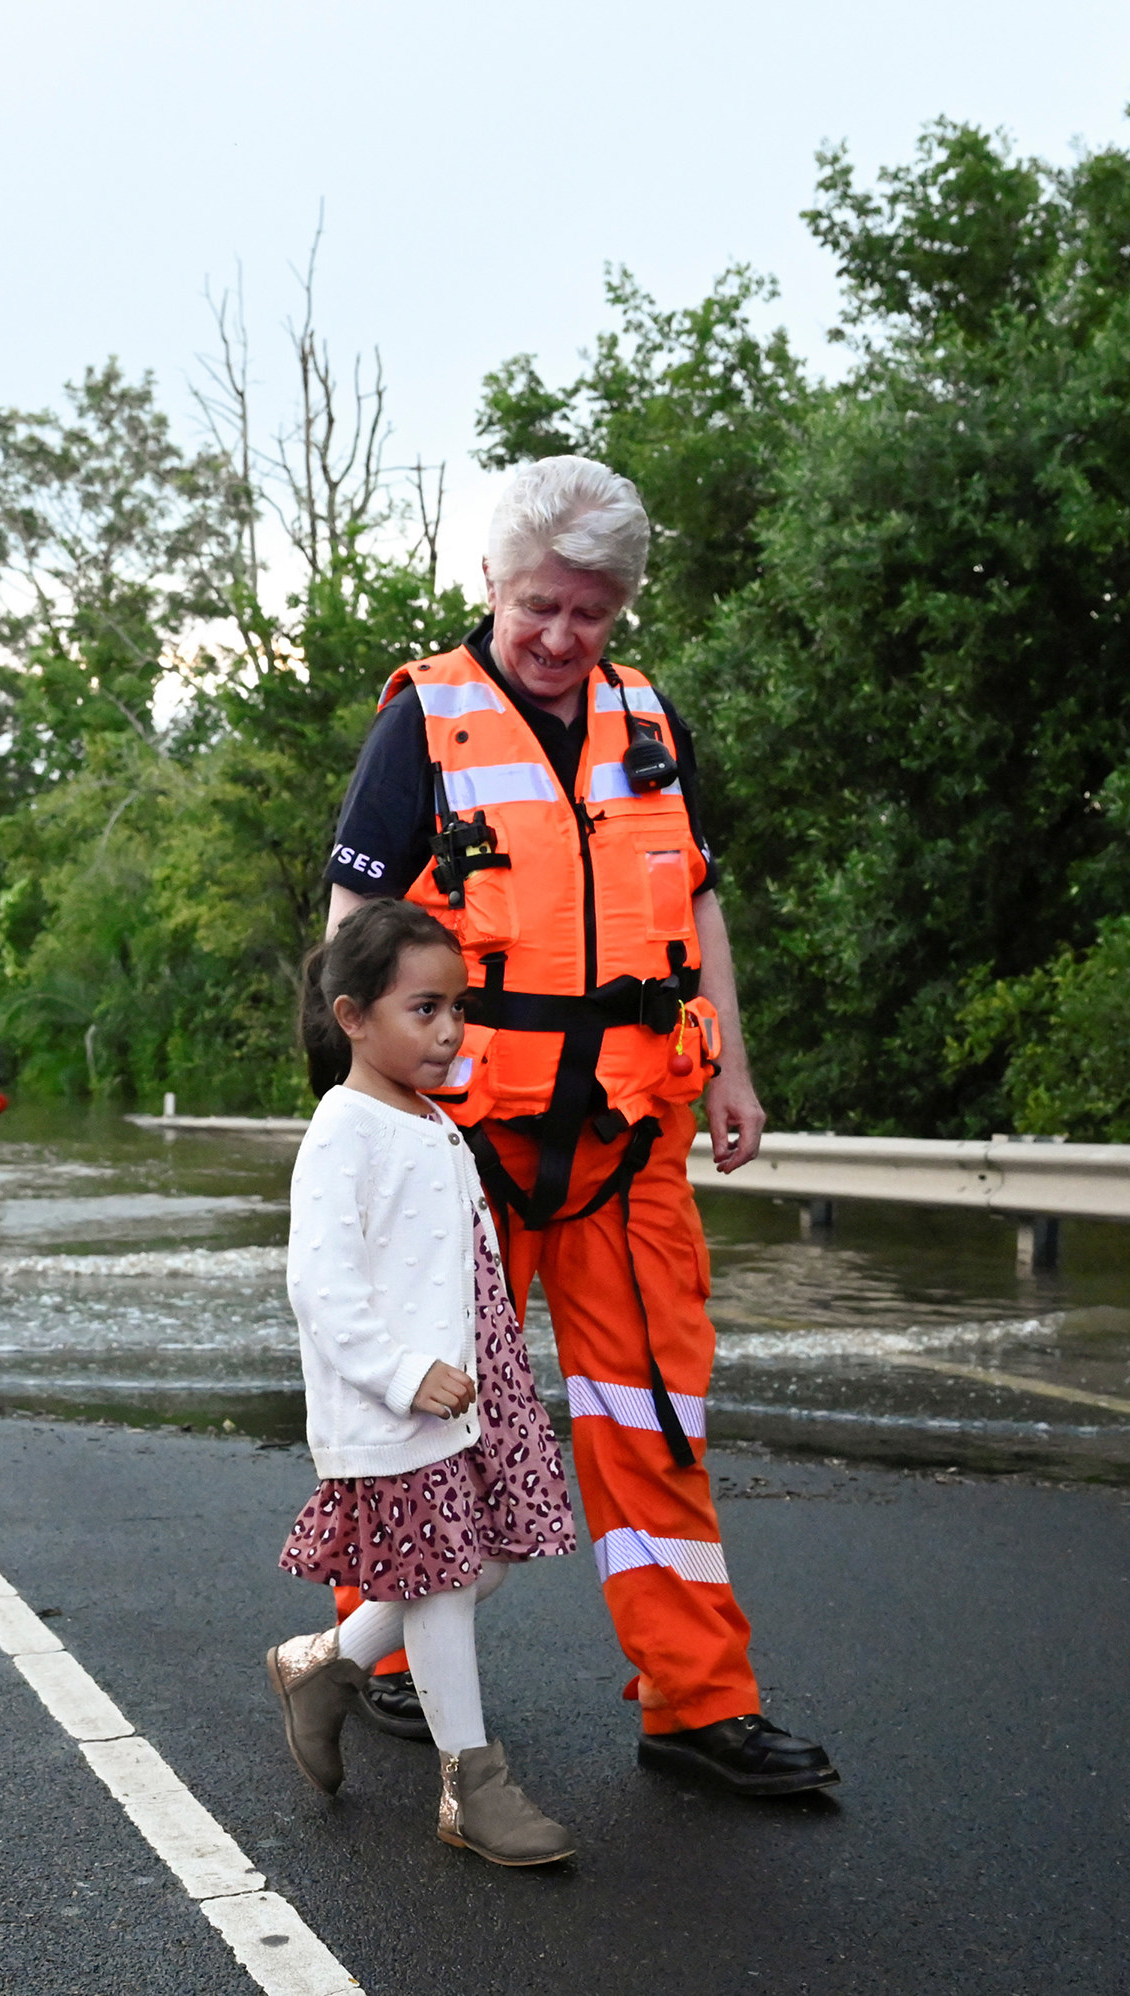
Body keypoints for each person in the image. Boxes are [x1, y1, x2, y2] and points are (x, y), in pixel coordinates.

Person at [318, 456, 841, 1798]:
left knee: (652, 1421)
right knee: (437, 1417)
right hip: (464, 1153)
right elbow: (354, 939)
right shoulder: (423, 723)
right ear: (492, 583)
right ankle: (375, 1654)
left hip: (627, 1144)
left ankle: (696, 1701)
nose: (561, 636)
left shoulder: (646, 720)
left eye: (591, 613)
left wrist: (731, 1067)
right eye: (541, 605)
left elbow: (700, 902)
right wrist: (371, 1119)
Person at [261, 898, 578, 1866]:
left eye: (457, 1009)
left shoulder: (431, 1119)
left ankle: (328, 1666)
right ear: (354, 1016)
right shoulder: (343, 1127)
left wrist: (493, 1368)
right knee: (442, 1579)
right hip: (401, 1405)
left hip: (472, 1390)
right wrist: (404, 1376)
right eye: (425, 1009)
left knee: (485, 1560)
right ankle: (470, 1785)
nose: (449, 1032)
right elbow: (321, 1282)